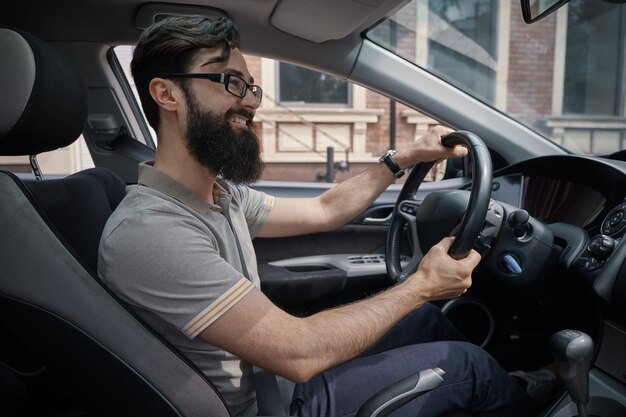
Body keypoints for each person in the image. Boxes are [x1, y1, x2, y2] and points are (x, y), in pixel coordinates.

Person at [98, 15, 543, 417]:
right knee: (471, 368)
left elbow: (324, 209)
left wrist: (402, 158)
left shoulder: (218, 195)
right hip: (268, 403)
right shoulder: (152, 231)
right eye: (232, 82)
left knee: (424, 322)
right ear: (166, 93)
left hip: (271, 377)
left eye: (251, 87)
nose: (251, 102)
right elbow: (298, 354)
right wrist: (422, 285)